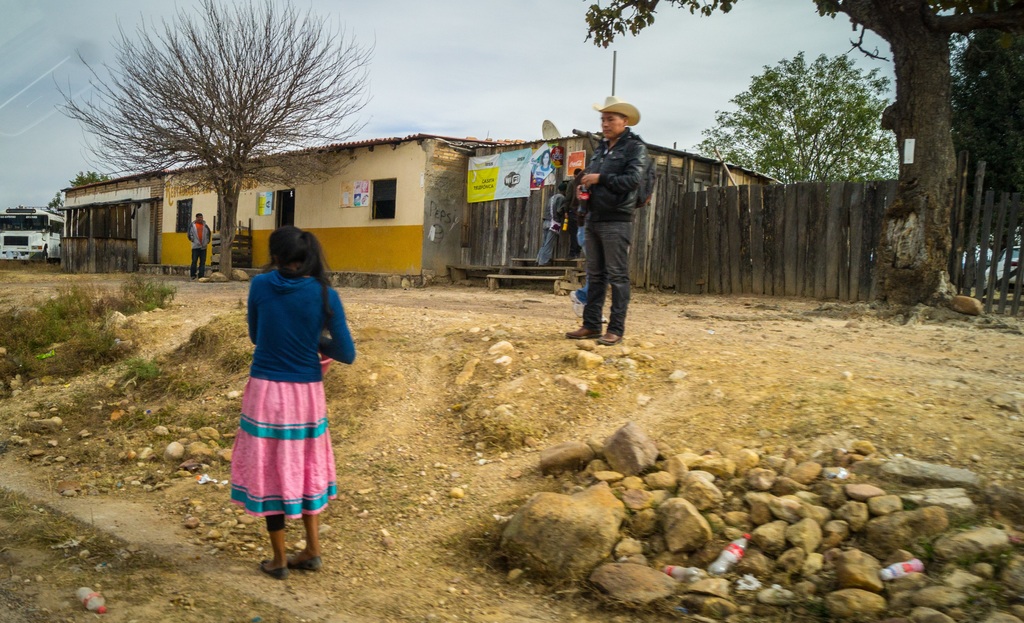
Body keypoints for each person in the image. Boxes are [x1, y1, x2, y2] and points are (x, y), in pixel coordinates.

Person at [230, 226, 356, 580]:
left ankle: (279, 559)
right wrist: (313, 341)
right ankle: (313, 549)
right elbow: (346, 353)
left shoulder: (259, 286)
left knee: (271, 469)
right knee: (303, 466)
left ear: (275, 256)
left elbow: (257, 336)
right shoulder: (325, 294)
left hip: (266, 393)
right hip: (306, 396)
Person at [565, 96, 648, 347]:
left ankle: (616, 329)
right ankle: (591, 325)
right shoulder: (601, 148)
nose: (605, 124)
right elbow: (591, 177)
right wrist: (584, 187)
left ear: (625, 121)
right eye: (602, 119)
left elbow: (632, 180)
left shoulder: (635, 147)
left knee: (618, 276)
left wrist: (600, 179)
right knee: (595, 274)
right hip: (593, 216)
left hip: (617, 218)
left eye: (610, 119)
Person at [536, 181, 567, 266]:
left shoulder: (552, 197)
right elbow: (559, 210)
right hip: (554, 223)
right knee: (549, 243)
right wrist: (565, 214)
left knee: (544, 242)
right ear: (565, 190)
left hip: (546, 221)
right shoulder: (562, 198)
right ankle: (544, 261)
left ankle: (538, 259)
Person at [564, 168, 584, 259]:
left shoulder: (572, 183)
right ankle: (578, 252)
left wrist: (565, 211)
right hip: (583, 212)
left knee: (573, 233)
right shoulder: (584, 183)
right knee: (580, 232)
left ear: (574, 175)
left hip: (573, 211)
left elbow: (568, 198)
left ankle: (573, 253)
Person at [187, 213, 211, 280]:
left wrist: (207, 242)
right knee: (194, 261)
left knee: (202, 262)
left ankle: (201, 275)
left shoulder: (205, 226)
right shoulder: (192, 226)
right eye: (199, 217)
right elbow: (189, 234)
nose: (200, 219)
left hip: (203, 247)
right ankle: (193, 275)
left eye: (201, 217)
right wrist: (192, 239)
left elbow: (208, 234)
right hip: (195, 246)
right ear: (196, 218)